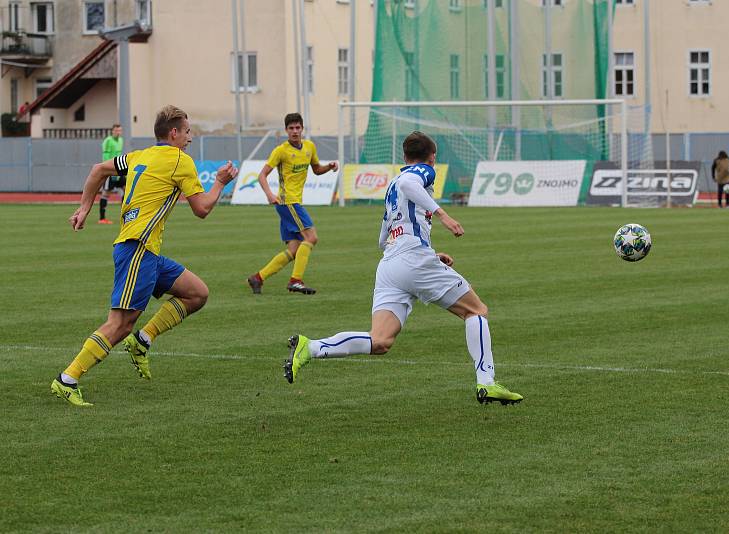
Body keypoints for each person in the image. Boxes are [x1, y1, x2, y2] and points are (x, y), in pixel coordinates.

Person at [283, 131, 523, 405]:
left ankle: (311, 347)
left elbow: (383, 237)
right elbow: (412, 183)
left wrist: (425, 252)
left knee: (380, 340)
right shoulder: (419, 173)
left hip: (391, 263)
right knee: (476, 310)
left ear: (404, 156)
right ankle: (487, 383)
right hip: (412, 259)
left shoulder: (392, 185)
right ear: (431, 158)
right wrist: (443, 216)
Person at [50, 105, 239, 406]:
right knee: (120, 323)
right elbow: (202, 208)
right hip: (137, 248)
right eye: (188, 131)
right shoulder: (180, 160)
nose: (190, 137)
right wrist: (220, 182)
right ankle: (68, 379)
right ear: (174, 133)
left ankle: (143, 340)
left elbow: (98, 170)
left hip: (144, 251)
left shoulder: (139, 155)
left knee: (196, 294)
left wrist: (84, 208)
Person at [247, 113, 338, 295]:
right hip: (287, 201)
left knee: (294, 249)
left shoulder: (310, 147)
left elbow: (316, 169)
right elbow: (262, 175)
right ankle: (296, 281)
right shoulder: (281, 151)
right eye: (291, 128)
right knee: (311, 238)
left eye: (298, 128)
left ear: (302, 129)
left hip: (292, 202)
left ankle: (257, 278)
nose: (295, 131)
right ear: (286, 130)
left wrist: (329, 167)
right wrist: (269, 194)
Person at [98, 124, 125, 224]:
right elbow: (105, 156)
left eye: (120, 130)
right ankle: (102, 218)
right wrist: (109, 171)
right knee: (106, 193)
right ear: (112, 131)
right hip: (110, 171)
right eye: (116, 130)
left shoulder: (121, 140)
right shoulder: (108, 141)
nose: (118, 132)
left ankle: (125, 216)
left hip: (119, 170)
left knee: (126, 189)